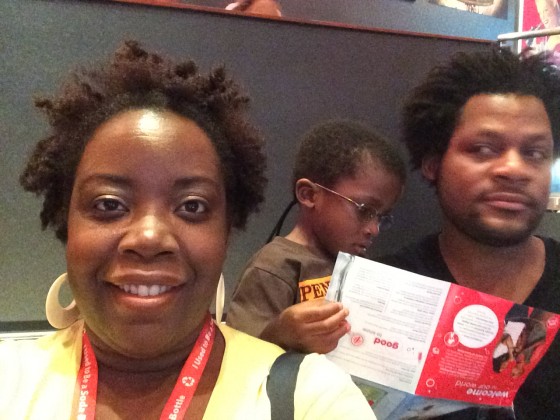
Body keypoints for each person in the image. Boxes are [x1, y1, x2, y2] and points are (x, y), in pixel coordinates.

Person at [0, 40, 375, 419]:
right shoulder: (8, 380)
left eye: (192, 207)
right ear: (67, 223)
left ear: (227, 231)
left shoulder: (312, 399)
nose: (149, 238)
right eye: (109, 205)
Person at [378, 47, 560, 419]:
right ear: (432, 163)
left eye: (535, 153)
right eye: (482, 149)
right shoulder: (385, 295)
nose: (514, 169)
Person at [227, 120, 406, 353]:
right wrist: (280, 334)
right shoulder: (274, 267)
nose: (374, 229)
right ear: (309, 195)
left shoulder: (355, 268)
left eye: (382, 217)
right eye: (364, 210)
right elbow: (239, 355)